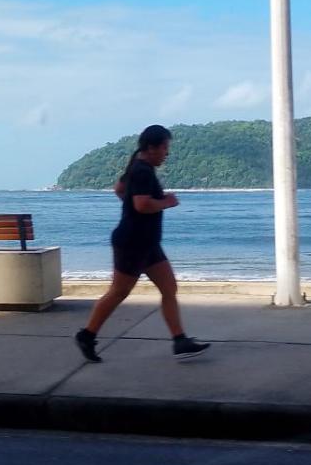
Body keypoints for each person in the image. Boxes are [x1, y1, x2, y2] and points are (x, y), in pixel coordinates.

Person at [75, 124, 210, 363]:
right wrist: (167, 202)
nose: (167, 153)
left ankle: (180, 341)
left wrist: (135, 206)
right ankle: (87, 335)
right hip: (133, 243)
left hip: (147, 243)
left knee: (169, 288)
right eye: (165, 148)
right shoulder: (142, 171)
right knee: (119, 292)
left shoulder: (137, 165)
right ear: (151, 148)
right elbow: (142, 205)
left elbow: (120, 190)